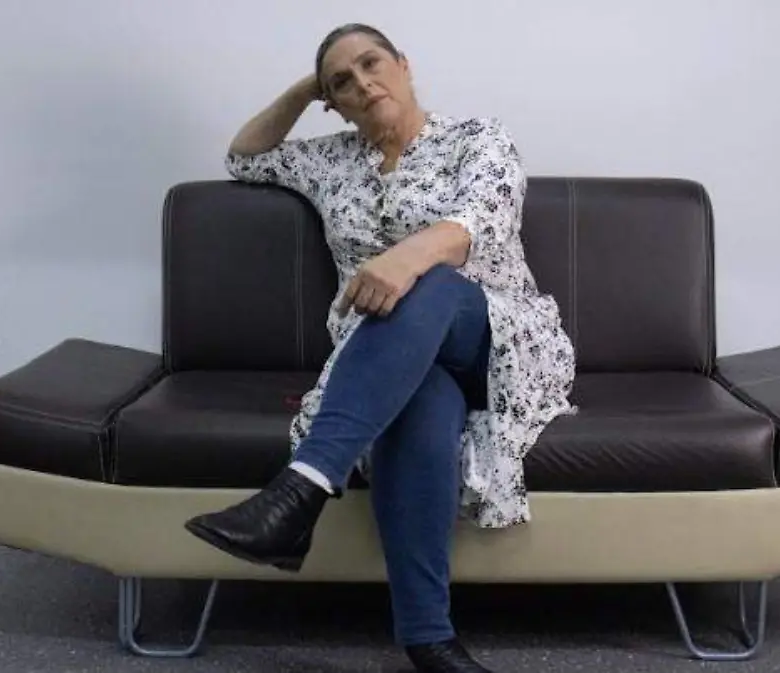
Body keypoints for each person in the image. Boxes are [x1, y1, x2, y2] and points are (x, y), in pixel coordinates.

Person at [184, 23, 577, 673]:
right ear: (334, 103)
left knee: (434, 283)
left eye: (372, 64)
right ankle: (429, 639)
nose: (363, 83)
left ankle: (301, 489)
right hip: (394, 357)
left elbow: (474, 224)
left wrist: (405, 258)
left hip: (495, 339)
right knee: (417, 399)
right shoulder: (331, 161)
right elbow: (243, 157)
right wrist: (306, 89)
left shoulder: (477, 138)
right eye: (343, 82)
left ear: (403, 64)